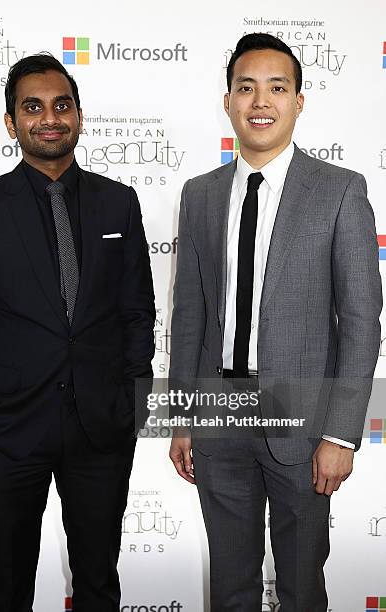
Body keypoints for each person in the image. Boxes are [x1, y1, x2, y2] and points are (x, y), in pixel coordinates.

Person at [169, 33, 381, 611]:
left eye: (276, 88)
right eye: (246, 88)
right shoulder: (200, 195)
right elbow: (188, 314)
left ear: (298, 101)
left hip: (306, 424)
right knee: (230, 587)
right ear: (228, 101)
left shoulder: (340, 191)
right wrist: (183, 418)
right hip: (219, 417)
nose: (260, 101)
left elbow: (362, 321)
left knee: (302, 586)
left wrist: (340, 434)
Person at [0, 53, 155, 612]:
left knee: (99, 584)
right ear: (12, 122)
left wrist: (133, 400)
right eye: (32, 107)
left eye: (62, 105)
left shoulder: (119, 202)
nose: (49, 118)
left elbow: (137, 311)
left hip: (102, 428)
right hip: (8, 431)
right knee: (8, 589)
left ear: (79, 116)